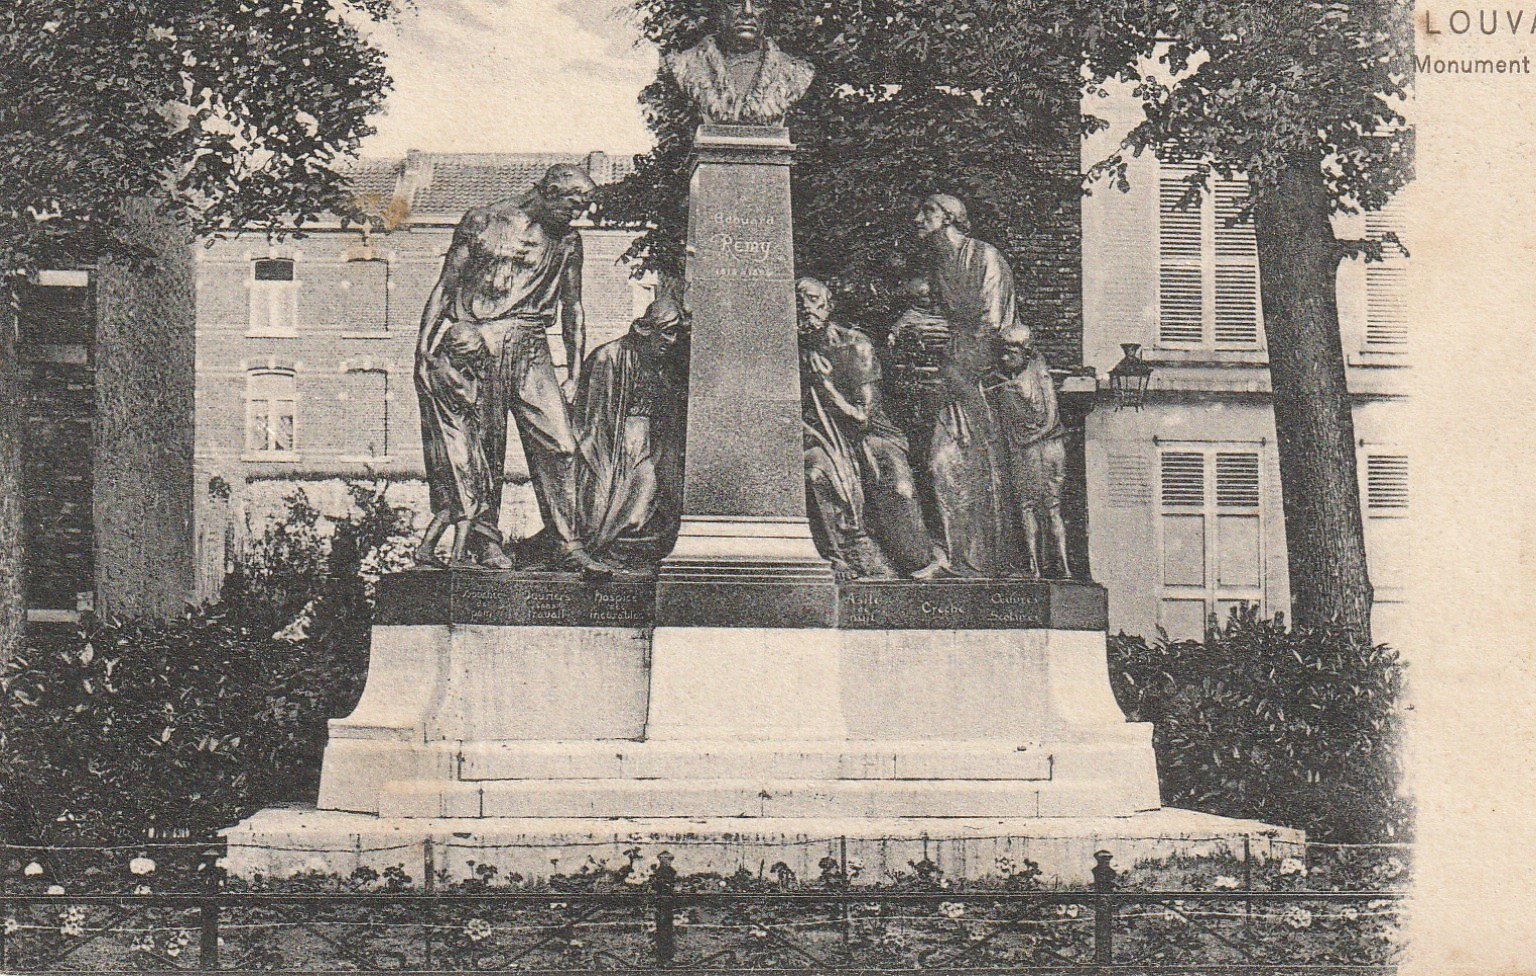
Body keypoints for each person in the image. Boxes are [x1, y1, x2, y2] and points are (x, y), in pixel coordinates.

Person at [423, 163, 613, 578]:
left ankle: (568, 543)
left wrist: (575, 371)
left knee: (561, 443)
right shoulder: (483, 220)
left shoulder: (568, 241)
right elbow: (446, 285)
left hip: (531, 344)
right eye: (571, 206)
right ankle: (486, 544)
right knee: (484, 448)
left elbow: (573, 307)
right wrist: (423, 351)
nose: (575, 216)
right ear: (547, 191)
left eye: (581, 209)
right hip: (479, 340)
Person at [911, 195, 1025, 576]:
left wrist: (955, 373)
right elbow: (937, 317)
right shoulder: (940, 265)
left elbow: (991, 326)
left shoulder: (984, 257)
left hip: (983, 382)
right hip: (953, 377)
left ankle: (984, 562)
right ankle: (956, 558)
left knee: (980, 466)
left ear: (950, 217)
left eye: (927, 211)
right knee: (940, 464)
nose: (918, 218)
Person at [798, 277, 941, 579]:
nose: (804, 308)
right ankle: (845, 556)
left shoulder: (854, 346)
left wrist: (823, 384)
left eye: (812, 299)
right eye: (797, 302)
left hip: (868, 434)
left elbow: (863, 418)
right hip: (821, 436)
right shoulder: (787, 351)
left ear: (830, 304)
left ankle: (919, 561)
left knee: (889, 471)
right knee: (816, 471)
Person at [574, 297, 690, 573]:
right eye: (668, 332)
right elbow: (593, 422)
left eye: (677, 333)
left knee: (662, 496)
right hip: (616, 443)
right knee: (639, 491)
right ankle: (609, 552)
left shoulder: (665, 363)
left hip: (654, 443)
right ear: (649, 328)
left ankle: (626, 554)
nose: (673, 341)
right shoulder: (609, 356)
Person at [413, 286, 490, 568]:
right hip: (457, 444)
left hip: (440, 448)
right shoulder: (453, 377)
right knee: (469, 503)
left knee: (447, 506)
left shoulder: (430, 368)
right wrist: (478, 374)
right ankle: (458, 557)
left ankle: (425, 549)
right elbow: (473, 399)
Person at [662, 0, 815, 125]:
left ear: (768, 12)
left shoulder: (795, 72)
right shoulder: (686, 65)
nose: (747, 11)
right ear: (718, 9)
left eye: (758, 3)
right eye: (735, 2)